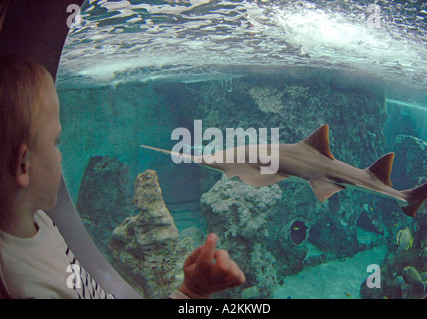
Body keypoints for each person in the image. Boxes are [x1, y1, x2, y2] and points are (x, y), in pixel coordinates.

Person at [0, 55, 245, 299]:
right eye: (56, 142)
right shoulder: (30, 290)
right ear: (24, 165)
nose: (61, 155)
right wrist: (193, 292)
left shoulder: (37, 222)